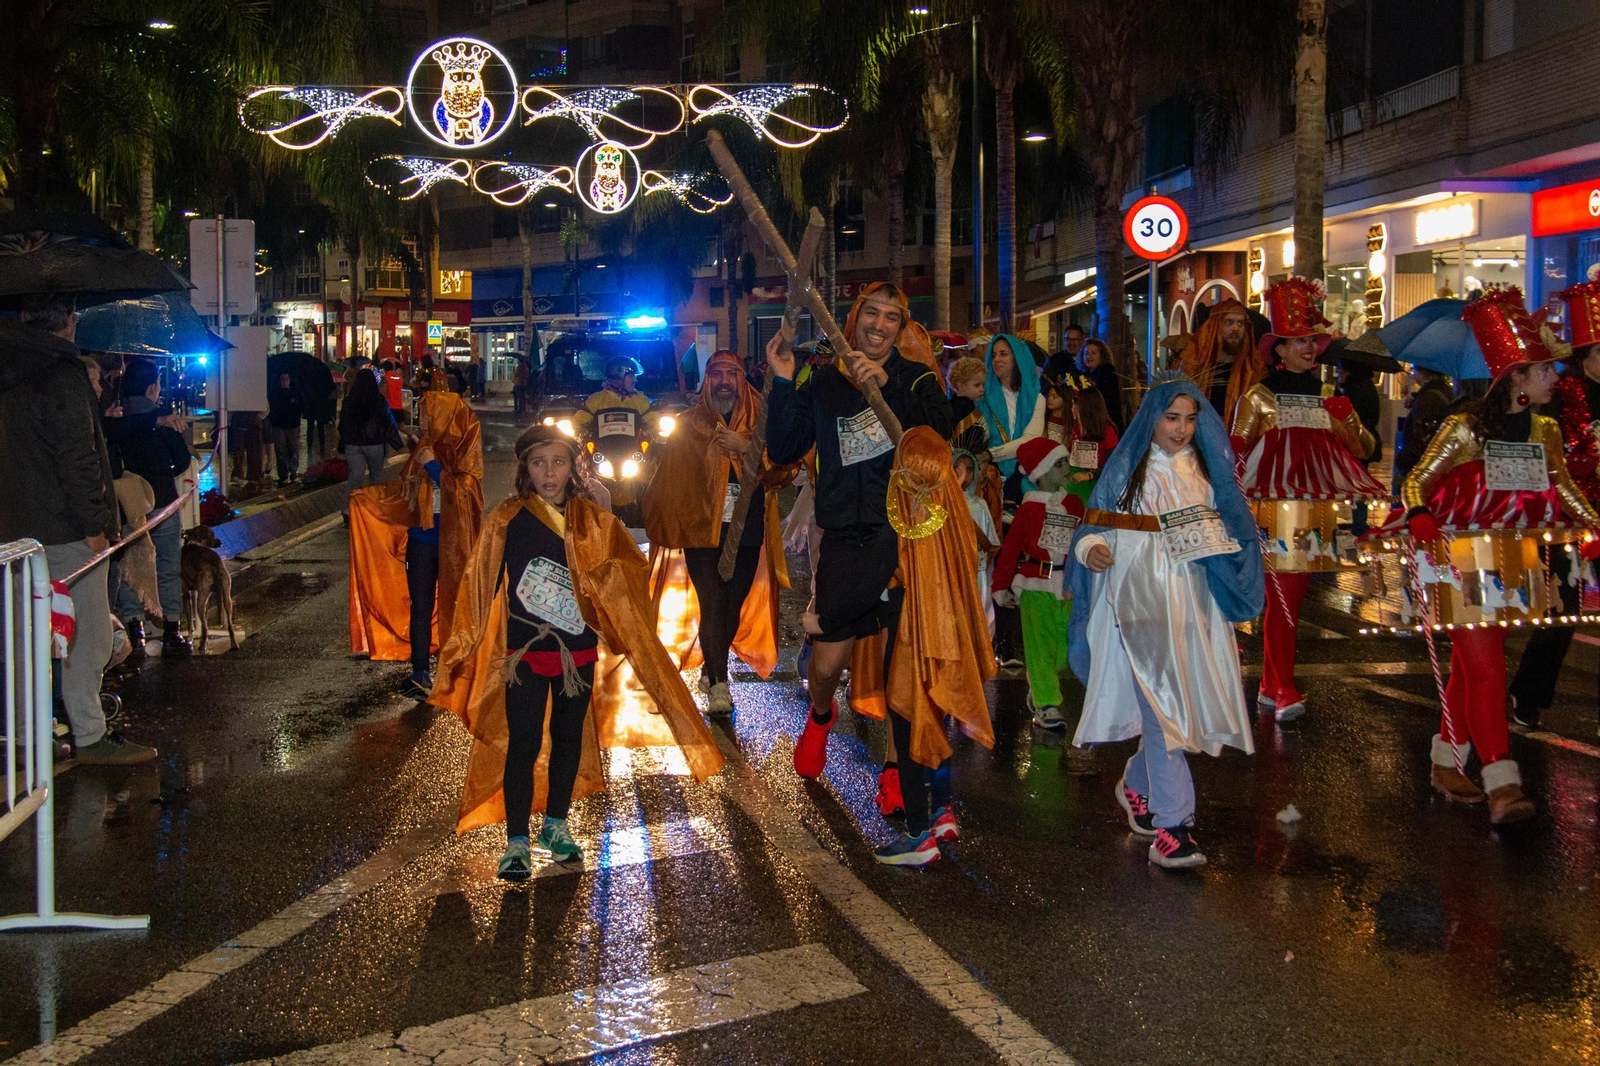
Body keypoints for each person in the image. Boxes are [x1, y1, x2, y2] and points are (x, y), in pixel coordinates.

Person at [431, 425, 725, 878]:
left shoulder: (593, 521)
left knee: (569, 736)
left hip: (577, 653)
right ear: (525, 469)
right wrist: (461, 645)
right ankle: (516, 840)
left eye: (558, 462)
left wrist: (604, 587)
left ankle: (556, 824)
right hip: (523, 653)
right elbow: (478, 582)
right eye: (538, 463)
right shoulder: (507, 519)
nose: (549, 473)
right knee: (523, 741)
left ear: (573, 467)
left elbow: (628, 569)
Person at [1392, 289, 1600, 823]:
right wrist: (1418, 514)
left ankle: (1445, 762)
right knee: (1486, 669)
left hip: (1517, 562)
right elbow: (1417, 481)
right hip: (1460, 562)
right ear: (1515, 377)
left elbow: (1564, 489)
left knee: (1471, 667)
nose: (1555, 378)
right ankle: (1502, 781)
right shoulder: (1463, 428)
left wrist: (1595, 525)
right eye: (1545, 370)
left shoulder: (1545, 430)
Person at [763, 282, 954, 809]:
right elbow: (783, 445)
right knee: (827, 665)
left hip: (904, 540)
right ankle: (821, 715)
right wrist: (784, 380)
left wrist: (890, 388)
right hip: (845, 541)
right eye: (872, 313)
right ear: (854, 319)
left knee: (900, 665)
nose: (879, 325)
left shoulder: (917, 377)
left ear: (902, 327)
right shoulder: (824, 379)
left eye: (892, 317)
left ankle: (894, 772)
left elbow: (939, 435)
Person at [1066, 378, 1264, 869]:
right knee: (1163, 708)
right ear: (1151, 418)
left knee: (1182, 705)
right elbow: (1092, 528)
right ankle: (1174, 827)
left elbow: (1232, 529)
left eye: (1190, 419)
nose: (1181, 428)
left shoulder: (1206, 471)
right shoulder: (1127, 470)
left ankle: (1137, 783)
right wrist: (1092, 548)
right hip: (1140, 603)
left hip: (1195, 606)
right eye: (1171, 418)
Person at [0, 294, 155, 763]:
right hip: (67, 529)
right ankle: (89, 733)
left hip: (12, 531)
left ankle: (26, 738)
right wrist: (95, 524)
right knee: (85, 633)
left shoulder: (7, 367)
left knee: (24, 635)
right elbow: (78, 456)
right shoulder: (60, 372)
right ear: (69, 320)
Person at [1232, 277, 1386, 723]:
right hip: (1270, 514)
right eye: (1299, 340)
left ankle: (1272, 683)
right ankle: (1281, 685)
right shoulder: (1258, 397)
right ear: (1279, 349)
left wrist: (1348, 420)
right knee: (1282, 598)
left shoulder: (1330, 397)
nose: (1309, 348)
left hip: (1317, 514)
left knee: (1292, 600)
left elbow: (1365, 450)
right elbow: (1235, 452)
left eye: (1313, 341)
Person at [642, 350, 796, 715]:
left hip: (747, 526)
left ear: (742, 379)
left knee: (732, 604)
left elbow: (783, 469)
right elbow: (669, 482)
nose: (724, 382)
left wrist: (747, 447)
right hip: (701, 530)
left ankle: (713, 665)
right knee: (711, 600)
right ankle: (719, 685)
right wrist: (671, 523)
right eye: (716, 374)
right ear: (706, 380)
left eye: (731, 374)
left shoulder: (762, 418)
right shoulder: (688, 424)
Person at [1508, 280, 1600, 731]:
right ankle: (1528, 694)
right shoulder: (1560, 396)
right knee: (1563, 610)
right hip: (1567, 519)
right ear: (1585, 356)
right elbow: (1542, 457)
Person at [349, 390, 484, 697]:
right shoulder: (423, 448)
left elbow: (466, 494)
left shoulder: (464, 448)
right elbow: (402, 491)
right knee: (420, 607)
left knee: (457, 605)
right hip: (421, 541)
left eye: (427, 416)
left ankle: (458, 669)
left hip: (454, 544)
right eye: (421, 417)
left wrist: (433, 467)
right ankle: (420, 671)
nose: (422, 423)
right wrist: (368, 499)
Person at [991, 438, 1085, 732]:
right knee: (1039, 646)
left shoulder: (1074, 505)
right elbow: (1011, 550)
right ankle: (1047, 704)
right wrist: (1001, 586)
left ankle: (1039, 683)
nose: (1066, 468)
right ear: (1041, 473)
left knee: (1064, 650)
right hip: (1034, 587)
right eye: (1059, 463)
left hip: (1067, 587)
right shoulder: (1029, 510)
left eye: (1066, 461)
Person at [106, 358, 195, 657]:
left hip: (128, 504)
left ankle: (135, 631)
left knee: (131, 568)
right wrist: (162, 472)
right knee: (167, 566)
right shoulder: (162, 419)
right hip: (162, 501)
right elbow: (181, 460)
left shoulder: (115, 418)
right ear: (153, 386)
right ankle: (172, 631)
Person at [975, 334, 1044, 499]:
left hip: (1024, 477)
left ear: (1017, 358)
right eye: (993, 355)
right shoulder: (981, 395)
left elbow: (1030, 440)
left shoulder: (1036, 398)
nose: (996, 359)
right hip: (987, 477)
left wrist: (990, 454)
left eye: (1003, 354)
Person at [1177, 298, 1265, 425]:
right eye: (1229, 322)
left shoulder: (1254, 366)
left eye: (1240, 323)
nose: (1235, 328)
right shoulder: (1194, 362)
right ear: (1216, 326)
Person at [1336, 360, 1383, 535]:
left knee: (1350, 484)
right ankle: (1360, 524)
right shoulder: (1369, 387)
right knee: (1360, 483)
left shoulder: (1352, 390)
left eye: (1339, 370)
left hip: (1351, 443)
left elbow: (1344, 416)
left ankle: (1356, 524)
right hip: (1365, 443)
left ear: (1347, 372)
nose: (1338, 374)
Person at [338, 367, 397, 507]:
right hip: (374, 444)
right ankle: (376, 508)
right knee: (376, 478)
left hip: (353, 444)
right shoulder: (379, 400)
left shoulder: (349, 401)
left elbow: (342, 424)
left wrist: (345, 440)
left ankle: (348, 509)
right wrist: (396, 443)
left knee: (355, 478)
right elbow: (387, 422)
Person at [1393, 367, 1453, 489]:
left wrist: (1402, 461)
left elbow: (1420, 437)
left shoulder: (1427, 398)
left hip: (1422, 466)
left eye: (1415, 371)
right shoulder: (1446, 391)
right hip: (1440, 461)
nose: (1413, 375)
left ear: (1423, 374)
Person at [1064, 385, 1119, 509]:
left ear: (1083, 407)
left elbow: (1114, 463)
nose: (1071, 408)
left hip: (1097, 485)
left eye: (1073, 405)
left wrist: (1090, 475)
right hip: (1075, 482)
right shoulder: (1076, 429)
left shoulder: (1107, 431)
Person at [575, 355, 652, 434]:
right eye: (631, 376)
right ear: (618, 378)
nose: (635, 380)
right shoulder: (596, 400)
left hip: (635, 442)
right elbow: (579, 421)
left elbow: (652, 418)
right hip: (604, 442)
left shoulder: (640, 400)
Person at [266, 372, 304, 486]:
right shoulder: (275, 393)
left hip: (292, 425)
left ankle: (293, 472)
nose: (284, 381)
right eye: (282, 379)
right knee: (281, 450)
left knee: (293, 449)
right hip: (279, 425)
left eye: (286, 379)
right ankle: (283, 475)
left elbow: (301, 406)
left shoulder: (295, 392)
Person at [1080, 338, 1124, 432]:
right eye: (1086, 353)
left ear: (1102, 356)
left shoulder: (1107, 370)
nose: (1089, 356)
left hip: (1107, 422)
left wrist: (1093, 385)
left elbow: (1108, 394)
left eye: (1093, 353)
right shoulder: (1082, 374)